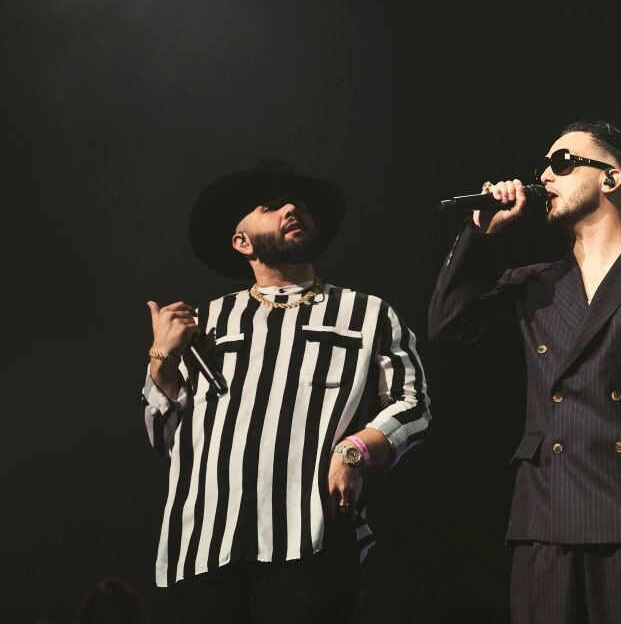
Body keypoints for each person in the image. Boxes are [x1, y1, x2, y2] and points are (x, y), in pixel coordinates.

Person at [428, 120, 621, 623]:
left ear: (611, 178)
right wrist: (479, 235)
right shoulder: (534, 284)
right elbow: (448, 325)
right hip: (545, 515)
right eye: (545, 165)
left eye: (562, 163)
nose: (545, 175)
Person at [140, 158, 430, 623]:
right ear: (242, 241)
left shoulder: (368, 313)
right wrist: (162, 358)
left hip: (310, 540)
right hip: (205, 545)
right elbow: (165, 440)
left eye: (298, 204)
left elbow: (412, 404)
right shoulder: (206, 322)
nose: (292, 209)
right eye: (272, 206)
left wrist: (356, 449)